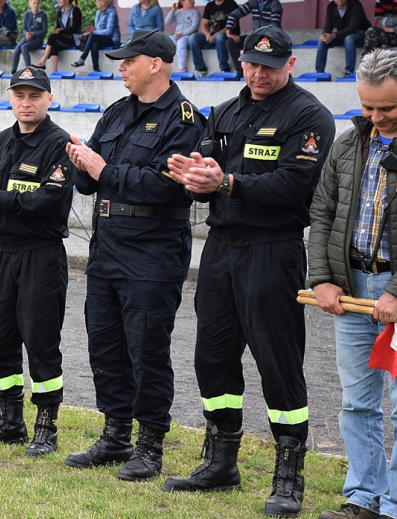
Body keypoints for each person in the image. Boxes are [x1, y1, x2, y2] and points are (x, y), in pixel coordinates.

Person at [164, 26, 336, 518]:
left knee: (278, 362)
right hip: (221, 248)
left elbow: (295, 183)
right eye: (251, 64)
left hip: (272, 248)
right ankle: (221, 462)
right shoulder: (225, 111)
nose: (259, 73)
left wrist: (228, 183)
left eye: (270, 65)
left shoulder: (309, 116)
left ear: (291, 64)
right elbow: (206, 174)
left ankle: (289, 475)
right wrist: (195, 180)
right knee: (212, 358)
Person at [64, 30, 205, 481]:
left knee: (146, 349)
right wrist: (79, 163)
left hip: (152, 249)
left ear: (156, 64)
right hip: (107, 246)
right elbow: (91, 178)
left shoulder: (183, 119)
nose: (121, 67)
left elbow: (166, 185)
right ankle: (115, 433)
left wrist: (103, 169)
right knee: (105, 346)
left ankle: (149, 445)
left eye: (129, 60)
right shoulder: (117, 112)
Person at [309, 48, 397, 519]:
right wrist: (322, 278)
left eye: (388, 108)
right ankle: (363, 497)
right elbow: (322, 211)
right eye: (368, 107)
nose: (376, 117)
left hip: (393, 290)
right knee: (356, 401)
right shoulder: (347, 144)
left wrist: (396, 291)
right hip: (353, 285)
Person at [0, 66, 73, 457]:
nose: (26, 103)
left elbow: (48, 199)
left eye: (34, 95)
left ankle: (46, 426)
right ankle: (10, 420)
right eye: (19, 95)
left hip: (40, 256)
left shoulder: (60, 144)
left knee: (42, 341)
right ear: (10, 98)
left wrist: (1, 202)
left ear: (48, 98)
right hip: (3, 254)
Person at [224, 0, 282, 78]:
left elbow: (274, 26)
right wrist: (229, 32)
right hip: (256, 37)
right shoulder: (253, 2)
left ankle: (263, 73)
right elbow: (234, 14)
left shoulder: (275, 3)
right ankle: (241, 72)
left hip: (271, 38)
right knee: (230, 42)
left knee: (262, 45)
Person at [317, 0, 371, 77]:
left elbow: (352, 29)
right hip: (343, 35)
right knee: (323, 41)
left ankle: (349, 71)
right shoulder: (331, 7)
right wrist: (324, 35)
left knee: (349, 39)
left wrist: (334, 35)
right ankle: (319, 72)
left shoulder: (355, 5)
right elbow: (328, 27)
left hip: (361, 34)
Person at [189, 0, 238, 77]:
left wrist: (217, 34)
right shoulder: (209, 5)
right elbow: (204, 23)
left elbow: (234, 24)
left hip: (228, 35)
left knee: (219, 37)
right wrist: (207, 34)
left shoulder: (231, 4)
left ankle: (224, 68)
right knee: (193, 38)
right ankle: (201, 68)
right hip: (212, 36)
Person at [30, 0, 82, 73]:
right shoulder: (60, 12)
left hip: (73, 38)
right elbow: (58, 27)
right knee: (54, 45)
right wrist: (57, 30)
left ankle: (43, 61)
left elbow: (75, 28)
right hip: (64, 38)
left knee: (52, 37)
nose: (58, 1)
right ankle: (55, 71)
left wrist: (60, 31)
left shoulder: (75, 10)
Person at [71, 0, 121, 72]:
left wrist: (94, 31)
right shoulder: (98, 13)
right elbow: (99, 30)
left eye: (98, 0)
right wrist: (92, 30)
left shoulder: (112, 12)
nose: (96, 2)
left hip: (112, 40)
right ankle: (96, 69)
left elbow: (109, 32)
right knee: (95, 43)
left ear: (104, 2)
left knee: (93, 36)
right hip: (102, 38)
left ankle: (82, 58)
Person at [12, 0, 48, 74]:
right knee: (18, 47)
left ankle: (28, 69)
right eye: (34, 3)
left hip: (38, 38)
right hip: (28, 37)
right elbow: (24, 29)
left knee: (24, 47)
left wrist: (34, 34)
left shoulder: (43, 15)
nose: (36, 5)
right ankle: (13, 70)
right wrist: (27, 34)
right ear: (30, 3)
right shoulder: (27, 14)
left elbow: (44, 31)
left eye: (37, 3)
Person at [164, 0, 200, 74]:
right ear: (182, 2)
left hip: (188, 35)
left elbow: (195, 26)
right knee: (165, 42)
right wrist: (173, 11)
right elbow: (167, 21)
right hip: (177, 35)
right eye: (189, 0)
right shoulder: (178, 12)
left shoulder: (195, 12)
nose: (192, 1)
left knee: (180, 43)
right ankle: (165, 67)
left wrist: (183, 34)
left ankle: (181, 68)